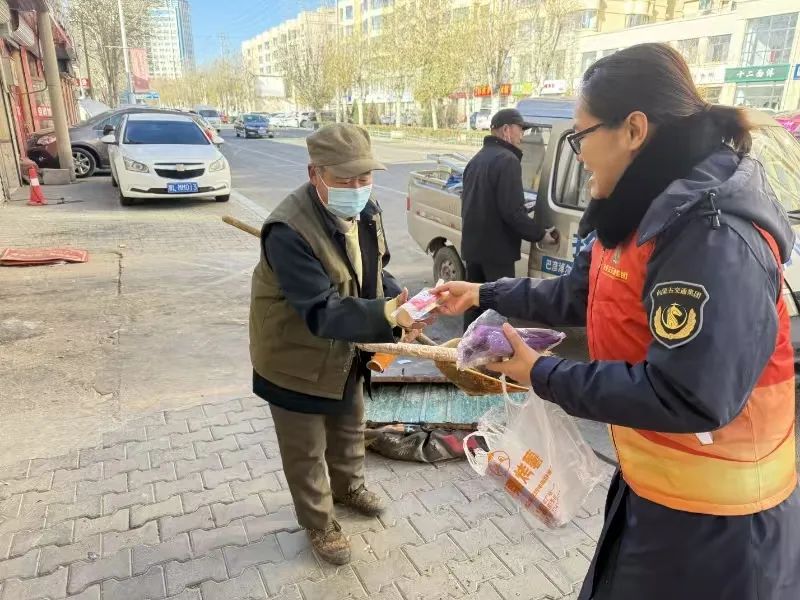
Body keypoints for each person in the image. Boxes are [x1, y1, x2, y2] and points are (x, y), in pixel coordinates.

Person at [434, 43, 800, 599]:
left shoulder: (709, 233)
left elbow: (688, 394)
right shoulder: (639, 208)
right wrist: (484, 292)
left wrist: (542, 373)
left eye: (581, 135)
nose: (579, 153)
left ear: (633, 130)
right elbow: (580, 294)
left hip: (721, 528)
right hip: (656, 491)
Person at [249, 123, 416, 565]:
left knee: (349, 424)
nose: (357, 188)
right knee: (305, 448)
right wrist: (386, 315)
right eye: (344, 179)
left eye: (364, 177)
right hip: (294, 356)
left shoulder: (367, 211)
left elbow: (375, 271)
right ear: (315, 173)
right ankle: (319, 523)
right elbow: (321, 310)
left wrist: (402, 303)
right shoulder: (288, 230)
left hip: (345, 346)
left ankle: (349, 488)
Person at [460, 107, 555, 328]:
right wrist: (540, 234)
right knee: (498, 309)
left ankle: (468, 347)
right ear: (506, 130)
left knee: (473, 304)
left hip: (473, 248)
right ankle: (492, 350)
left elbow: (480, 202)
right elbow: (512, 212)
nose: (522, 136)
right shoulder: (507, 160)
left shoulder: (477, 159)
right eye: (520, 129)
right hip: (497, 252)